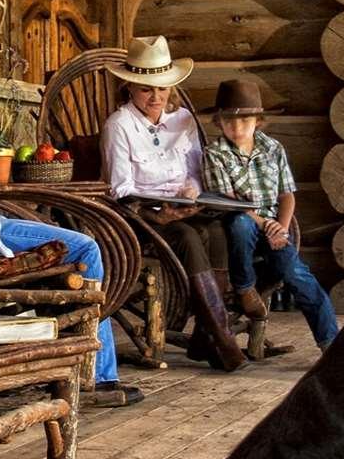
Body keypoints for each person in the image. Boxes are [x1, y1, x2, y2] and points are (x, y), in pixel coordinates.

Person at [0, 10, 139, 408]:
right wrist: (1, 192)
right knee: (85, 247)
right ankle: (96, 378)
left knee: (46, 231)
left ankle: (57, 364)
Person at [99, 37, 245, 372]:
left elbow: (195, 173)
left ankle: (207, 335)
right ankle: (222, 339)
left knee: (216, 231)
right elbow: (120, 188)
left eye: (161, 89)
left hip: (183, 208)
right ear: (131, 87)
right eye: (146, 89)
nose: (155, 97)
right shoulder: (118, 126)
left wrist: (192, 193)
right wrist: (159, 211)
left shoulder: (184, 121)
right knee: (190, 238)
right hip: (139, 216)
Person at [202, 76, 341, 352]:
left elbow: (286, 194)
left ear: (258, 121)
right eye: (228, 120)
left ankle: (331, 343)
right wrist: (266, 224)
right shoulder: (214, 153)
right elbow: (230, 202)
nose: (237, 127)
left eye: (245, 121)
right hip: (238, 221)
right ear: (218, 122)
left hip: (274, 226)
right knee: (241, 224)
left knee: (299, 276)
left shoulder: (273, 148)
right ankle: (244, 286)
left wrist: (281, 228)